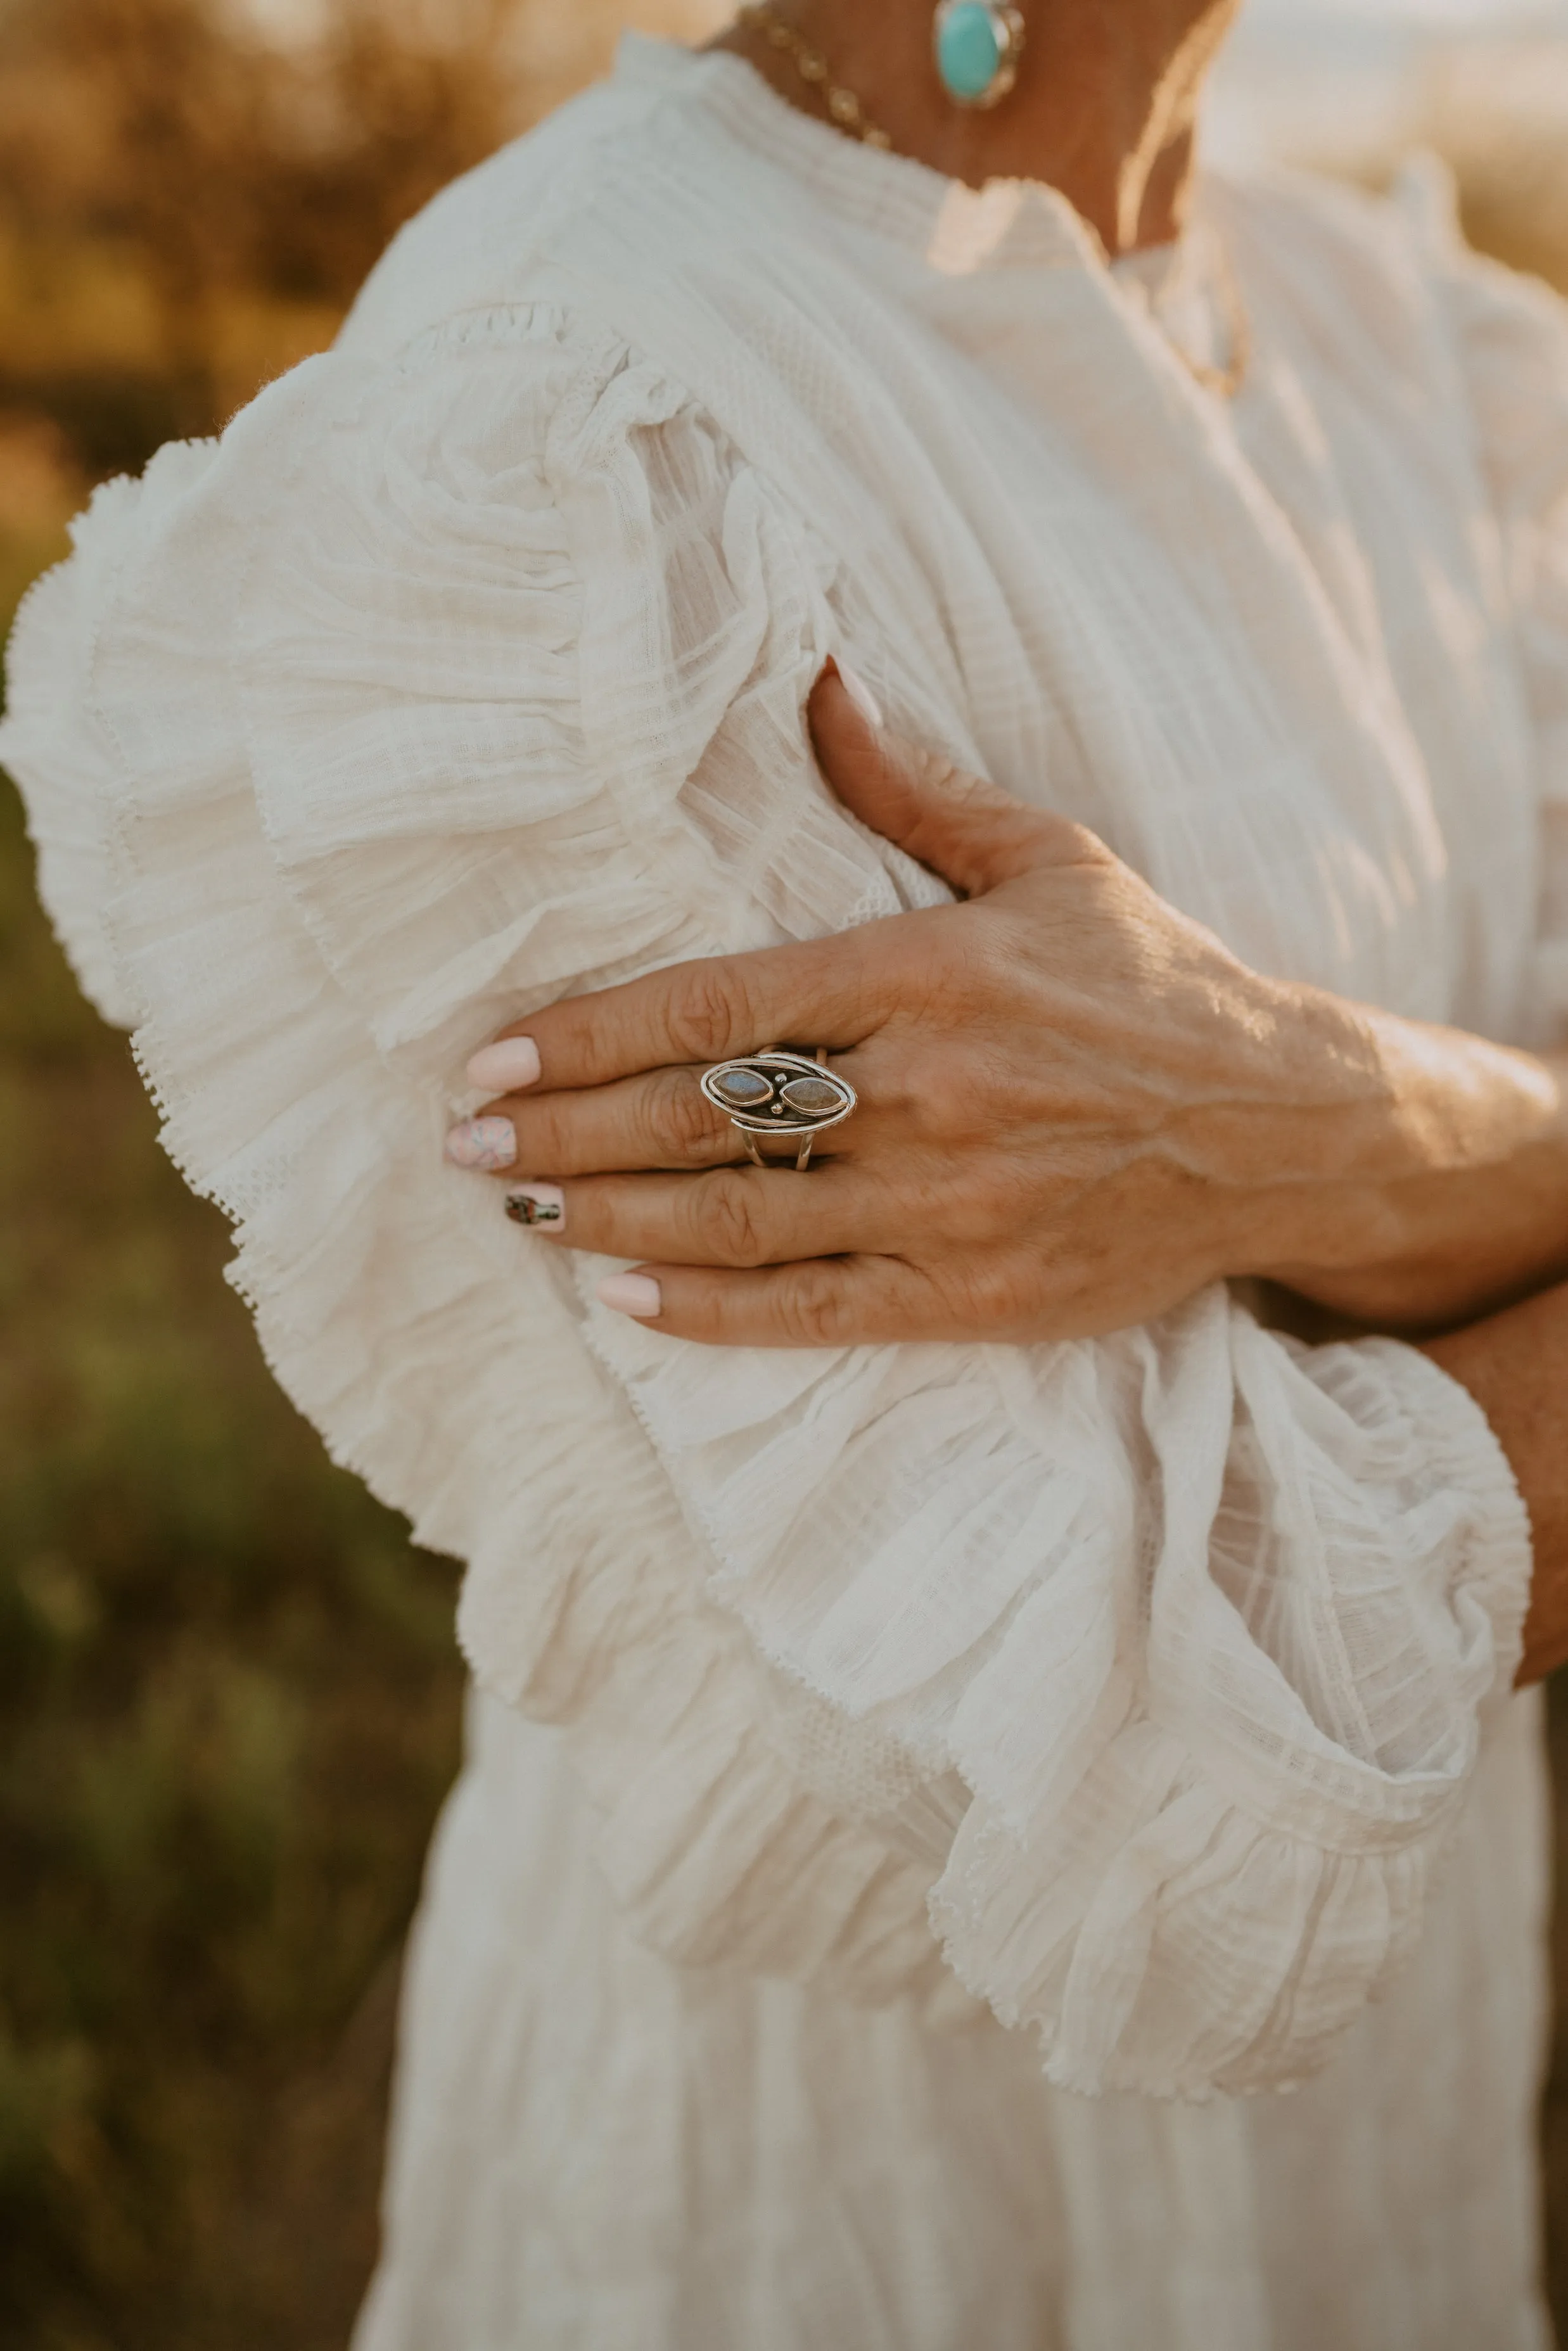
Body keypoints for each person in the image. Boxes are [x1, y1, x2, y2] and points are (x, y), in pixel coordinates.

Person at [5, 0, 1568, 2340]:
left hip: (1387, 2128)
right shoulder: (583, 422)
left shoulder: (1450, 374)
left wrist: (1299, 1115)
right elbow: (1140, 1750)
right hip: (846, 2200)